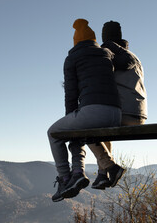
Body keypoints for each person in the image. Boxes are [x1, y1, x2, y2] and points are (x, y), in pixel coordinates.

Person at [47, 19, 124, 202]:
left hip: (94, 112)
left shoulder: (72, 58)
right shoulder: (107, 54)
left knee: (53, 133)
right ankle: (83, 173)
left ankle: (66, 178)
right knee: (76, 129)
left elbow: (71, 94)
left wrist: (71, 120)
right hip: (116, 113)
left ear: (76, 42)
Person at [89, 21, 147, 190]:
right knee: (103, 127)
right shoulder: (134, 57)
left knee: (86, 127)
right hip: (140, 115)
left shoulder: (110, 54)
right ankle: (102, 174)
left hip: (124, 113)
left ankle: (109, 167)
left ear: (105, 37)